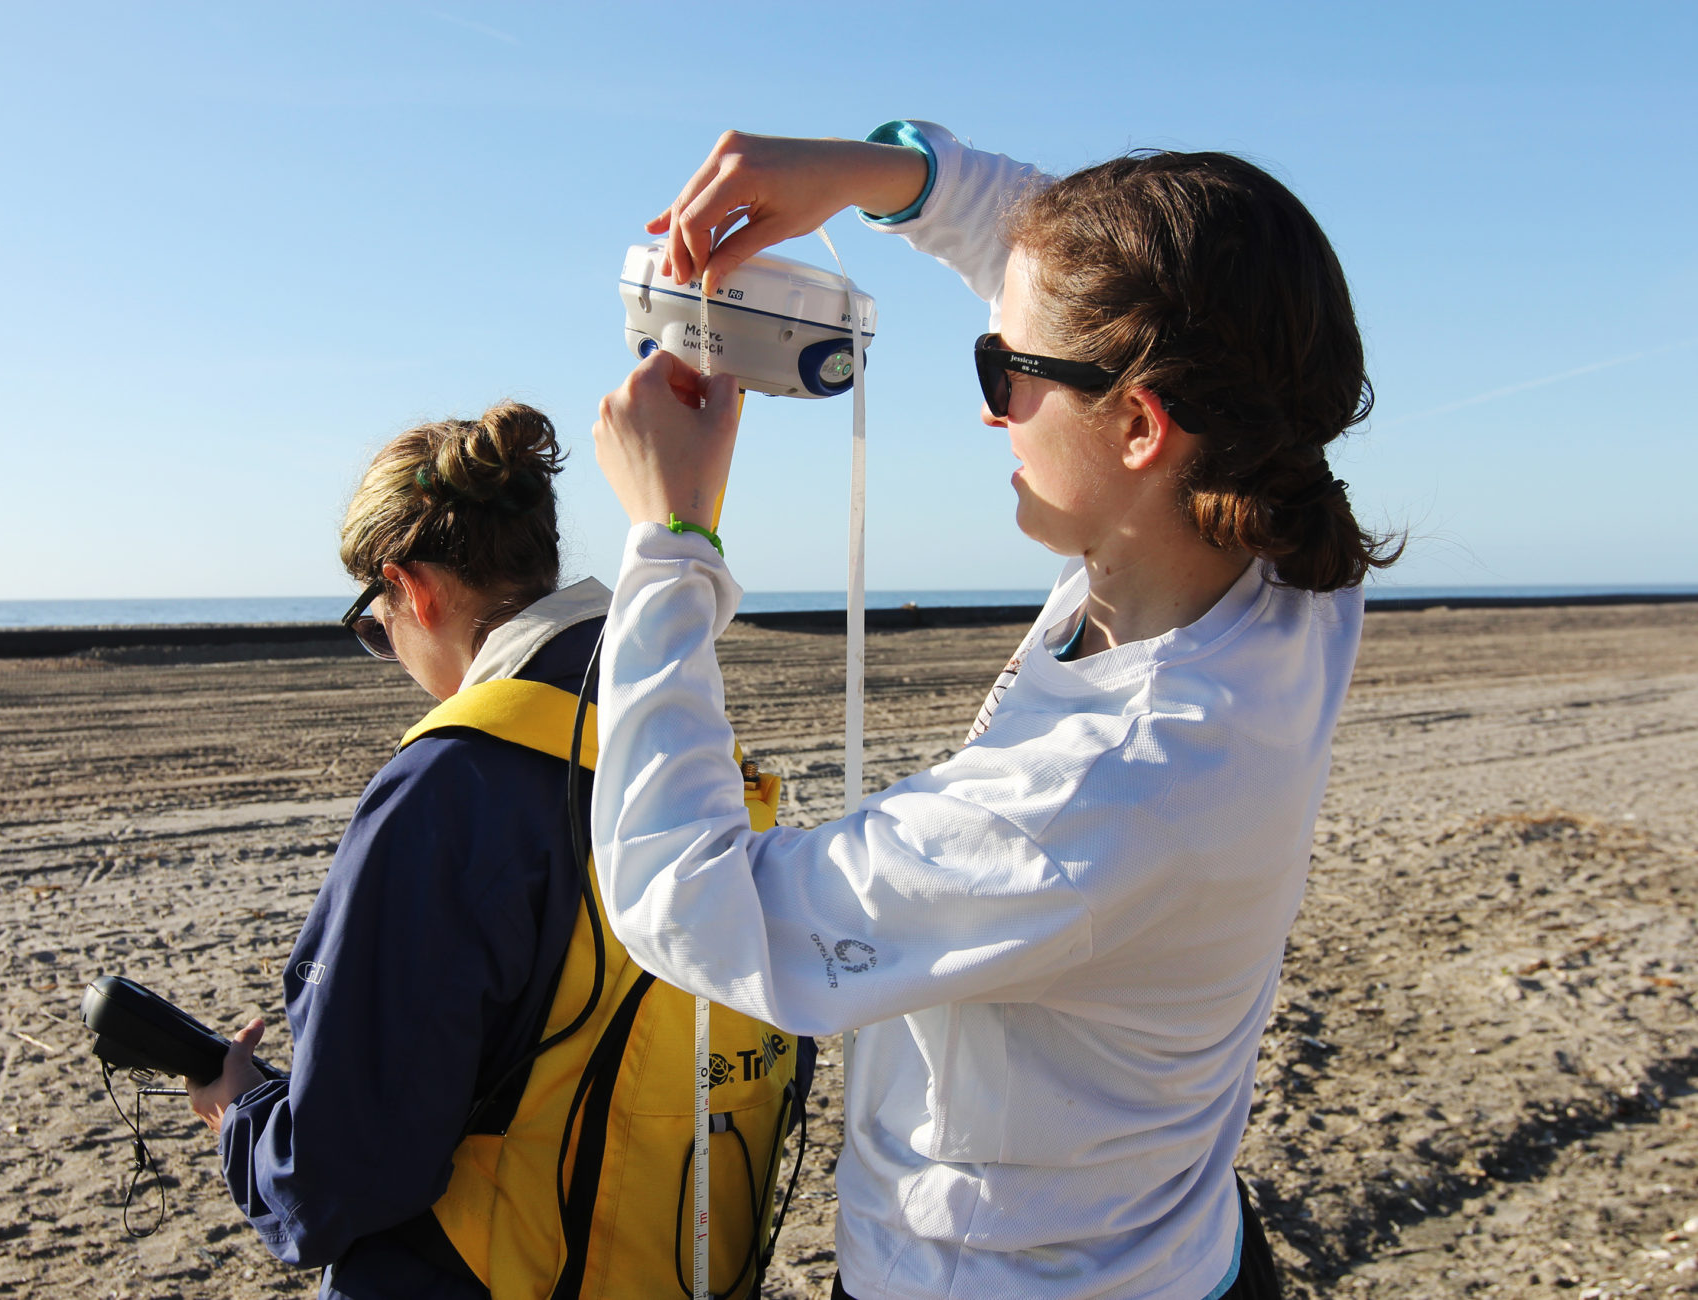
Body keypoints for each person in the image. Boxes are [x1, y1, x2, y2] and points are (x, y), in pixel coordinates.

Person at [589, 122, 1399, 1300]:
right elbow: (1079, 280)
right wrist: (884, 174)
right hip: (1185, 1252)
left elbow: (688, 899)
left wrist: (672, 540)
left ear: (1140, 424)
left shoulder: (1090, 790)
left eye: (1002, 373)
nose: (991, 410)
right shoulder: (1282, 554)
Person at [186, 401, 614, 1299]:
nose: (395, 648)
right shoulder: (669, 721)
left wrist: (241, 1117)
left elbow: (342, 1178)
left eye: (377, 623)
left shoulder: (451, 788)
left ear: (412, 589)